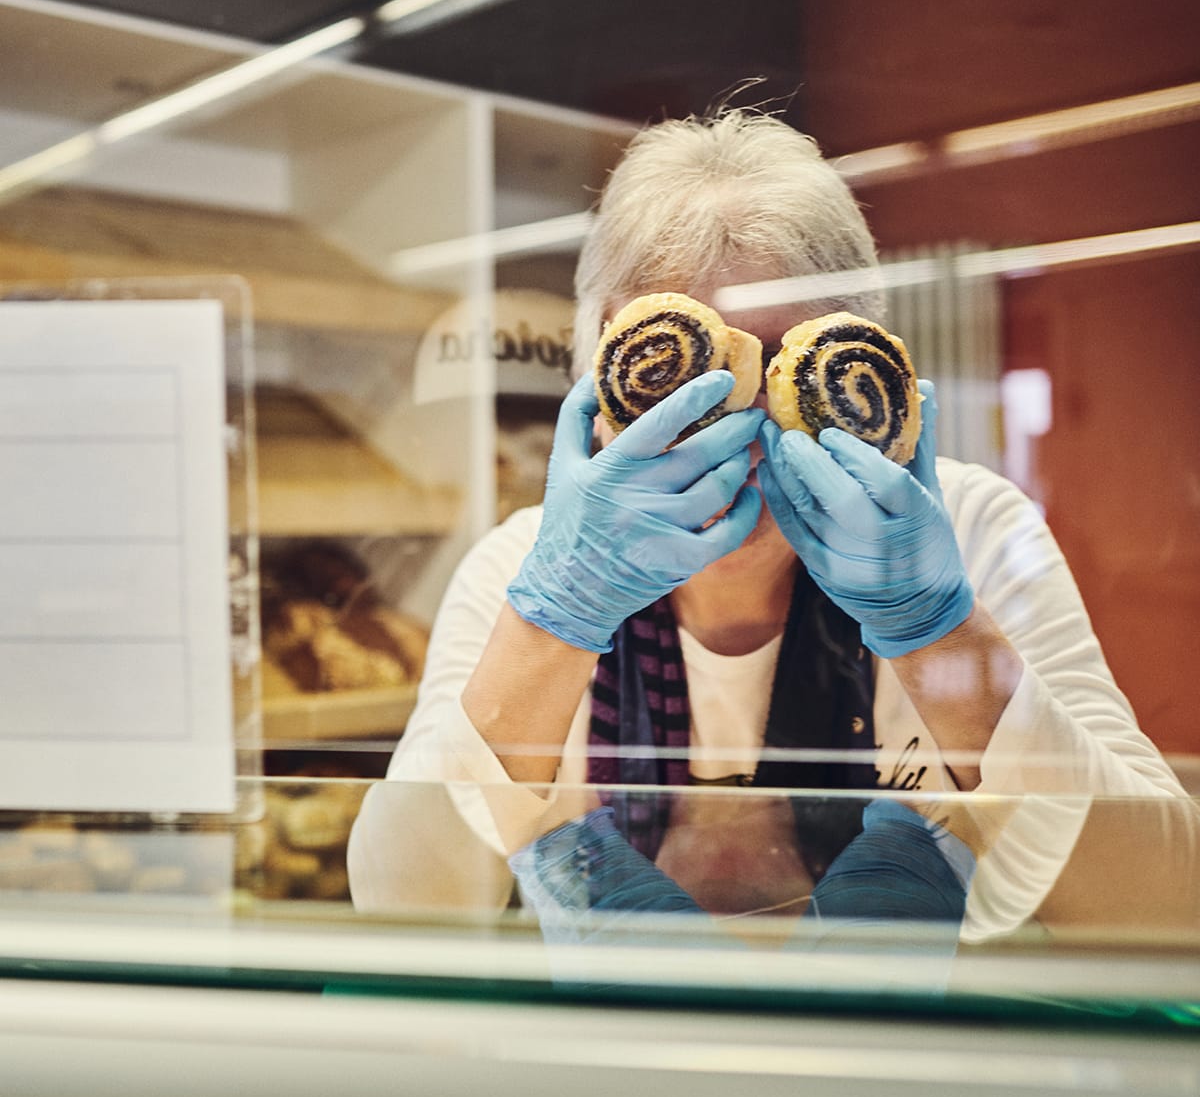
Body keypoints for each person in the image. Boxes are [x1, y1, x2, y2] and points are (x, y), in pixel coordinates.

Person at [348, 109, 1187, 939]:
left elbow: (1166, 907)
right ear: (597, 377)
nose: (737, 431)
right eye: (684, 384)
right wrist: (557, 617)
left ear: (868, 358)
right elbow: (404, 909)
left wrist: (937, 630)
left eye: (787, 368)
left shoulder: (967, 531)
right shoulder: (520, 570)